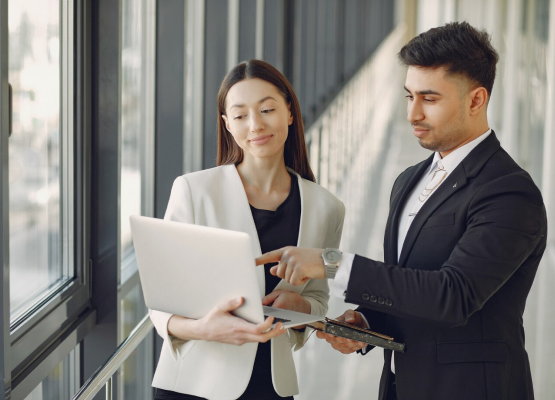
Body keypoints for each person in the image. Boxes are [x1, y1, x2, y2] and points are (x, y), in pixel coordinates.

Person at [256, 22, 547, 400]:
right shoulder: (408, 180)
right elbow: (410, 283)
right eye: (408, 96)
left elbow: (452, 296)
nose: (412, 114)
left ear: (476, 100)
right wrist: (365, 322)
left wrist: (332, 264)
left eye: (429, 99)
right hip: (401, 387)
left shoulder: (509, 191)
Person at [149, 59, 345, 400]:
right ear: (227, 124)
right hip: (193, 384)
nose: (255, 124)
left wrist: (295, 307)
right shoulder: (194, 191)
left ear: (289, 112)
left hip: (271, 385)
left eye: (267, 109)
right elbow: (162, 303)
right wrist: (202, 329)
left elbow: (318, 300)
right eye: (240, 115)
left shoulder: (326, 208)